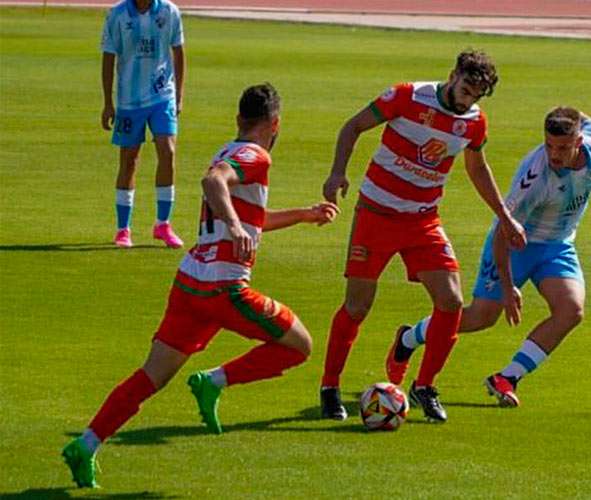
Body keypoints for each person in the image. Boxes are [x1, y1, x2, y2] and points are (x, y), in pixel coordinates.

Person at [61, 83, 340, 488]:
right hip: (224, 289)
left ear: (238, 120)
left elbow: (247, 214)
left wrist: (302, 215)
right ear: (274, 124)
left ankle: (85, 444)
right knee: (300, 346)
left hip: (190, 282)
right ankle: (213, 381)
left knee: (151, 375)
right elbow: (213, 182)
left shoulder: (228, 148)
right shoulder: (255, 155)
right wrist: (232, 225)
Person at [319, 50, 526, 423]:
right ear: (453, 75)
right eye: (465, 89)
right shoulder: (406, 96)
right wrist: (337, 173)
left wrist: (505, 217)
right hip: (377, 214)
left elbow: (477, 168)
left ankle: (425, 386)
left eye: (476, 96)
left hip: (423, 220)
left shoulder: (474, 123)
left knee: (450, 301)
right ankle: (329, 387)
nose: (468, 100)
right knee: (357, 306)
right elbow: (353, 127)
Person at [388, 107, 591, 407]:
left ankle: (507, 378)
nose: (554, 154)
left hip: (557, 244)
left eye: (562, 147)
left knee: (571, 310)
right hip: (514, 242)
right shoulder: (534, 179)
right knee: (482, 317)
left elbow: (581, 116)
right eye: (549, 146)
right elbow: (502, 233)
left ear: (579, 140)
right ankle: (409, 338)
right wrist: (508, 288)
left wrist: (566, 111)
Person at [101, 0, 186, 248]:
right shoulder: (117, 15)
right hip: (129, 99)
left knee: (168, 152)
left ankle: (163, 224)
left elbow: (178, 52)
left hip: (162, 95)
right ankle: (123, 228)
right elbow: (108, 57)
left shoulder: (169, 11)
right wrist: (108, 102)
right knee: (129, 160)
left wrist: (178, 95)